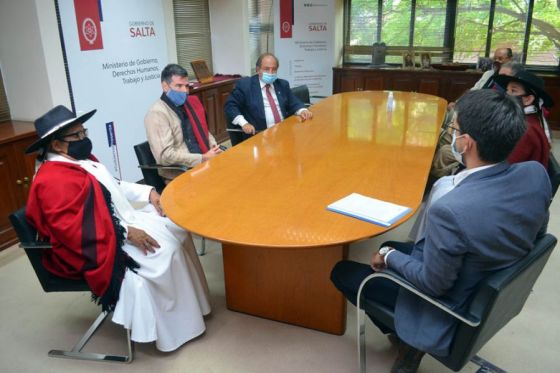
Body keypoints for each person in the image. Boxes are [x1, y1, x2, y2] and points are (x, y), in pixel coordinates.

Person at [331, 89, 551, 373]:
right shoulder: (535, 174)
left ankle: (409, 342)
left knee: (344, 271)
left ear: (467, 143)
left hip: (446, 303)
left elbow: (433, 284)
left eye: (455, 130)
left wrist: (386, 257)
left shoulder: (452, 210)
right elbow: (536, 233)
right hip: (483, 274)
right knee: (392, 244)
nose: (453, 137)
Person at [25, 105, 211, 352]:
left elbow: (114, 186)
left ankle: (194, 311)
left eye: (84, 132)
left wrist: (150, 192)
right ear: (57, 145)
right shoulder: (53, 180)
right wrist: (126, 232)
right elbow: (72, 230)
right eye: (77, 136)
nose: (85, 140)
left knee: (177, 228)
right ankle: (176, 331)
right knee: (163, 254)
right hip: (96, 243)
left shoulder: (80, 160)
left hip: (119, 223)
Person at [145, 63, 222, 182]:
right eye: (179, 86)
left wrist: (213, 145)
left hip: (202, 164)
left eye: (186, 86)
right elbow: (165, 156)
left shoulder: (189, 104)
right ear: (165, 86)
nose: (185, 91)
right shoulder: (157, 114)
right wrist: (203, 158)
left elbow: (203, 130)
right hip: (181, 174)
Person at [224, 53, 313, 146]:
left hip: (283, 134)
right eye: (266, 69)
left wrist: (302, 110)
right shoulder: (246, 85)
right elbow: (230, 106)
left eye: (274, 69)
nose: (270, 73)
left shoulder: (282, 84)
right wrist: (244, 123)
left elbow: (293, 101)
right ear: (258, 70)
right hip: (259, 137)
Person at [495, 70, 554, 168]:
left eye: (513, 91)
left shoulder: (525, 130)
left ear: (528, 99)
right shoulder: (527, 118)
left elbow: (505, 168)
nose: (506, 95)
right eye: (507, 90)